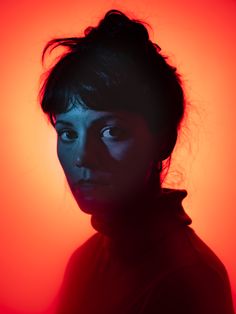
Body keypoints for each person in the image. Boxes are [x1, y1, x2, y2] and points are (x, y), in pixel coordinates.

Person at [39, 9, 235, 314]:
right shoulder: (83, 260)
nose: (82, 156)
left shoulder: (191, 280)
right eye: (67, 133)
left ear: (163, 140)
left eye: (111, 130)